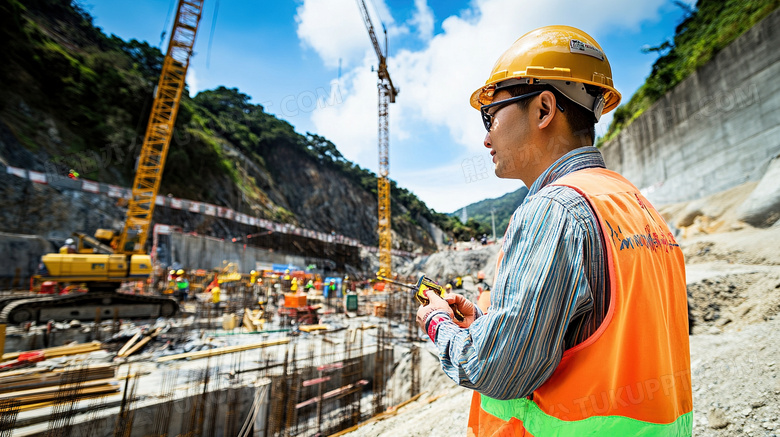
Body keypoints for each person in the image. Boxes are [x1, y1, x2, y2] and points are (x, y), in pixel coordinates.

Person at [416, 26, 691, 436]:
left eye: (491, 115)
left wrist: (439, 323)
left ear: (543, 109)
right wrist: (491, 325)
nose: (486, 136)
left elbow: (495, 370)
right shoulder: (633, 203)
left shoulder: (554, 209)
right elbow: (602, 331)